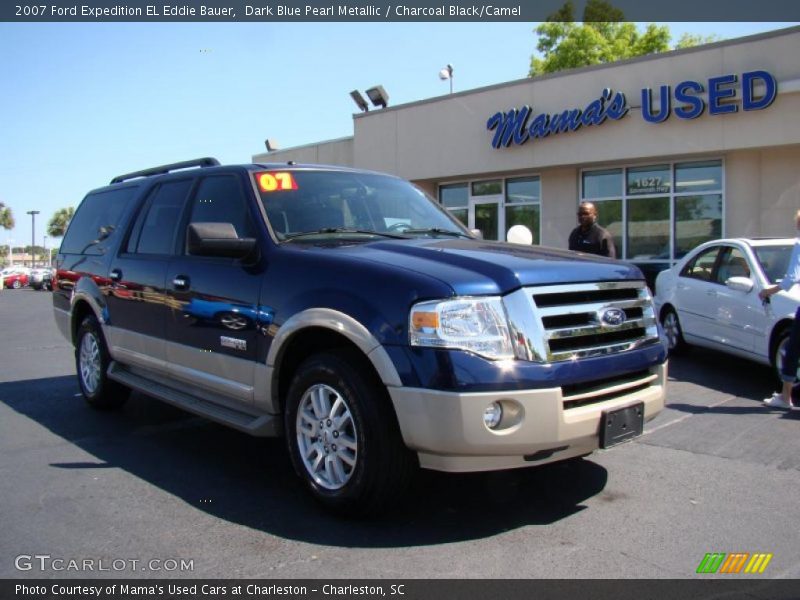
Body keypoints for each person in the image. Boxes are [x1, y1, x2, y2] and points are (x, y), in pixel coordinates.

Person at [760, 208, 800, 410]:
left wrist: (769, 290)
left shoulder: (799, 245)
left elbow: (791, 278)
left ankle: (786, 398)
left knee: (793, 350)